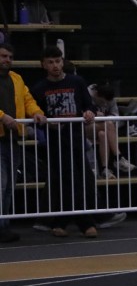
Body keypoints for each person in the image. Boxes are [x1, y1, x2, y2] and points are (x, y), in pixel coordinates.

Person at [30, 46, 100, 238]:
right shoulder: (39, 88)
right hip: (55, 143)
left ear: (63, 61)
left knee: (82, 180)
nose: (55, 65)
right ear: (43, 65)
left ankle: (75, 221)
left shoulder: (77, 82)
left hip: (76, 139)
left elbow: (89, 105)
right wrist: (47, 123)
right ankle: (74, 222)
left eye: (58, 61)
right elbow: (35, 115)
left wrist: (89, 112)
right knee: (64, 182)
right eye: (50, 62)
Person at [0, 42, 45, 243]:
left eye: (10, 57)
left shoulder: (16, 78)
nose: (7, 60)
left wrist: (36, 112)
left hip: (12, 139)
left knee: (9, 185)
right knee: (1, 184)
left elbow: (28, 100)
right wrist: (2, 116)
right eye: (3, 56)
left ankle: (4, 225)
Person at [84, 82, 135, 179]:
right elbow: (81, 112)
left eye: (107, 103)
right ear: (96, 95)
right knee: (109, 124)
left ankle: (105, 169)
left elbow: (116, 117)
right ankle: (118, 158)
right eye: (102, 102)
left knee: (103, 134)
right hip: (85, 127)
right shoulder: (86, 95)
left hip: (101, 127)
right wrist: (96, 115)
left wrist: (104, 116)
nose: (105, 104)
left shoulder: (110, 99)